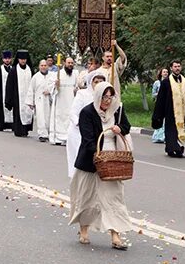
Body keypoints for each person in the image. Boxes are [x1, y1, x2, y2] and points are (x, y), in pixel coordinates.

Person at [69, 81, 133, 249]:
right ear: (98, 96)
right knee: (87, 197)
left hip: (113, 160)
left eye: (111, 97)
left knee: (114, 197)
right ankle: (84, 230)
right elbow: (88, 140)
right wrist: (99, 156)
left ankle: (115, 234)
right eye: (104, 97)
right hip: (92, 160)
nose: (108, 101)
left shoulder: (117, 110)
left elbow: (126, 126)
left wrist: (119, 128)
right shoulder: (87, 112)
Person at [151, 60, 185, 157]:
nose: (177, 68)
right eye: (175, 66)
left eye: (179, 66)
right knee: (172, 131)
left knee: (184, 130)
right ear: (171, 68)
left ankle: (180, 148)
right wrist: (158, 115)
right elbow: (161, 100)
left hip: (184, 113)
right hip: (171, 112)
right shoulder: (166, 82)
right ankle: (172, 149)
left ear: (181, 68)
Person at [67, 70, 107, 178]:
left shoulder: (105, 97)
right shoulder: (82, 94)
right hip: (78, 133)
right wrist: (81, 124)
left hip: (96, 134)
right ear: (91, 82)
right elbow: (73, 113)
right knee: (79, 160)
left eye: (101, 82)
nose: (98, 84)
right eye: (96, 81)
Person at [4, 49, 34, 137]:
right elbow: (9, 86)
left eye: (24, 59)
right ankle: (18, 130)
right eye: (21, 59)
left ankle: (26, 130)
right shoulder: (13, 70)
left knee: (28, 113)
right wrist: (9, 99)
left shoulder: (30, 70)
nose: (23, 61)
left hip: (28, 96)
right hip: (17, 97)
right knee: (18, 114)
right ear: (18, 59)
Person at [49, 57, 77, 145]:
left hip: (71, 100)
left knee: (69, 119)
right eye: (69, 63)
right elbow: (51, 87)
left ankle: (68, 137)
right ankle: (59, 138)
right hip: (61, 100)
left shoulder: (75, 74)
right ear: (64, 63)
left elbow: (76, 87)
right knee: (59, 118)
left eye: (72, 63)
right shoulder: (57, 73)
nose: (70, 65)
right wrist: (55, 85)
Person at [25, 60, 53, 142]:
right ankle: (42, 134)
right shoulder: (35, 77)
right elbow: (31, 89)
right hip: (39, 100)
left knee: (48, 117)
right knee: (40, 118)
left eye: (45, 65)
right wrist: (31, 102)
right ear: (39, 66)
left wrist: (50, 91)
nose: (43, 67)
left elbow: (54, 87)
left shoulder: (51, 76)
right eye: (42, 65)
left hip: (48, 100)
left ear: (47, 66)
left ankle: (48, 133)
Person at [0, 51, 14, 132]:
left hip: (10, 94)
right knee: (1, 110)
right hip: (1, 93)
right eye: (5, 58)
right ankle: (0, 125)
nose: (7, 60)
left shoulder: (13, 69)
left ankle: (11, 125)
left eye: (8, 58)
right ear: (3, 59)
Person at [151, 68, 168, 144]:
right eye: (164, 72)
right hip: (159, 104)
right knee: (159, 119)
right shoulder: (157, 83)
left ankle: (164, 137)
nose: (165, 73)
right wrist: (159, 94)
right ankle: (157, 137)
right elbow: (153, 94)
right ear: (161, 73)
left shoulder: (169, 82)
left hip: (167, 103)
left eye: (167, 72)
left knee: (166, 120)